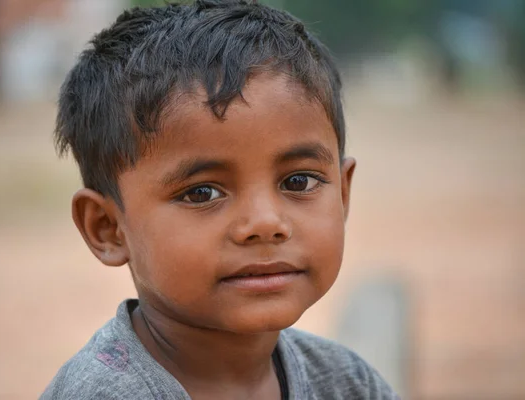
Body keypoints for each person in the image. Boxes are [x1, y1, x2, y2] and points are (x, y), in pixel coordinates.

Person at [41, 1, 398, 399]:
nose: (265, 223)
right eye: (202, 192)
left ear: (343, 194)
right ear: (107, 228)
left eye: (298, 181)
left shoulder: (347, 384)